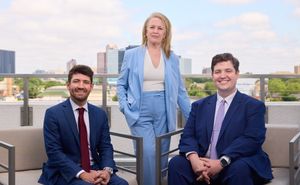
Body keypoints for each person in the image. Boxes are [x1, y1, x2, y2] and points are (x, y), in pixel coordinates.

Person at [168, 53, 273, 185]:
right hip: (202, 162)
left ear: (237, 74)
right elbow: (188, 135)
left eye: (228, 71)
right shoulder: (199, 106)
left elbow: (252, 139)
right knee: (176, 164)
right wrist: (195, 161)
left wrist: (221, 162)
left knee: (240, 169)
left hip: (234, 162)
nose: (223, 76)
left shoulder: (253, 106)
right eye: (218, 72)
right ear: (212, 76)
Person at [117, 12, 191, 185]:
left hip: (165, 109)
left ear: (165, 32)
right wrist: (124, 106)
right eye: (152, 27)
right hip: (139, 110)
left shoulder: (172, 57)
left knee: (161, 153)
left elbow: (180, 90)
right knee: (148, 152)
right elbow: (121, 84)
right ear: (145, 31)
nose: (156, 31)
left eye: (160, 28)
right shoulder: (132, 54)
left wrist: (192, 116)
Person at [39, 65, 128, 185]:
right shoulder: (53, 114)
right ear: (68, 85)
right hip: (66, 172)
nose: (81, 86)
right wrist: (83, 174)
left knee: (122, 184)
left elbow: (105, 147)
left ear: (91, 87)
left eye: (86, 82)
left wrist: (106, 170)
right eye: (76, 81)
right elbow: (54, 152)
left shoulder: (99, 114)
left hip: (96, 168)